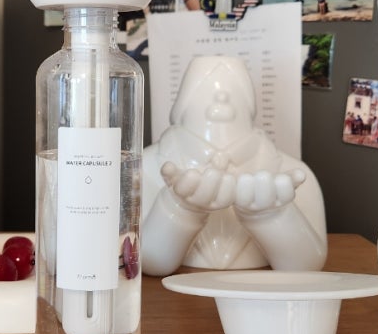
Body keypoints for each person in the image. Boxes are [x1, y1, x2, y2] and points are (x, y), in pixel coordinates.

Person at [140, 56, 327, 276]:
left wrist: (273, 219)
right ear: (181, 104)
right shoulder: (142, 168)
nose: (221, 96)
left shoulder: (292, 173)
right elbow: (144, 262)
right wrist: (178, 211)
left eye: (235, 90)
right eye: (202, 89)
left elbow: (307, 268)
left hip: (258, 290)